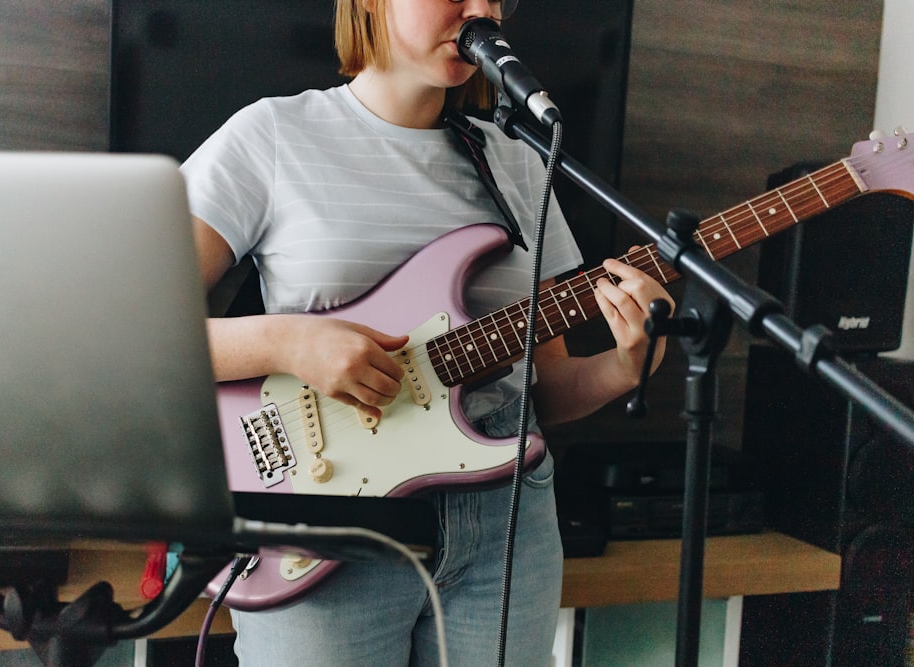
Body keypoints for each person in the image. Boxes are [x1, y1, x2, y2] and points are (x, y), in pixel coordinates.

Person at [182, 0, 673, 664]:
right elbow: (126, 324)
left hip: (507, 524)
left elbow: (548, 386)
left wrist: (625, 365)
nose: (485, 11)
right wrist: (287, 342)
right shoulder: (271, 136)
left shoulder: (518, 160)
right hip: (327, 519)